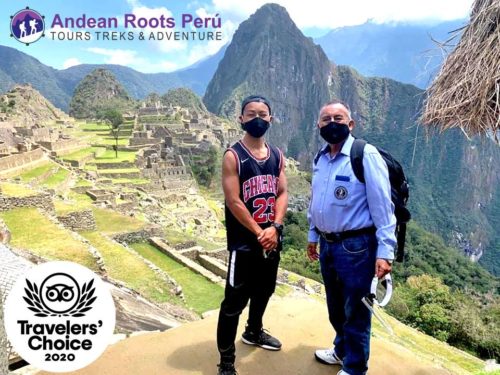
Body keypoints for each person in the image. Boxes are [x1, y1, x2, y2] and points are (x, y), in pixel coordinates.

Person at [306, 100, 396, 375]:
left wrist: (385, 251)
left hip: (357, 247)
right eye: (326, 119)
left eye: (338, 118)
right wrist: (312, 234)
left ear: (351, 124)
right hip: (328, 244)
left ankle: (356, 367)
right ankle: (341, 350)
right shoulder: (320, 157)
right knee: (335, 306)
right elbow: (316, 200)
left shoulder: (364, 155)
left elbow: (383, 206)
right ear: (319, 125)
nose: (332, 123)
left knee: (356, 310)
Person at [216, 95, 288, 375]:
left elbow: (282, 192)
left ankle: (254, 331)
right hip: (244, 245)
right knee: (233, 302)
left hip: (271, 240)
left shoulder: (277, 156)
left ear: (270, 118)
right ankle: (226, 360)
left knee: (265, 291)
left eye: (263, 113)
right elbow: (234, 200)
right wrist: (260, 231)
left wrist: (276, 227)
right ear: (241, 119)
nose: (257, 118)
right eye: (251, 113)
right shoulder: (234, 156)